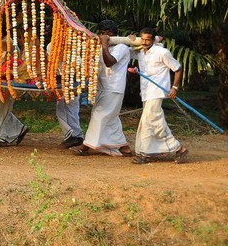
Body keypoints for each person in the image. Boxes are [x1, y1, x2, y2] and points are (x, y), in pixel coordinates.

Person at [71, 20, 133, 156]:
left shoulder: (121, 47)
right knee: (111, 118)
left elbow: (109, 62)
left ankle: (86, 145)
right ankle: (123, 146)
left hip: (114, 88)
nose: (104, 36)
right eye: (102, 33)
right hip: (101, 87)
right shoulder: (100, 47)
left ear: (114, 34)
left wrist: (104, 44)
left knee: (99, 115)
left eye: (108, 34)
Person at [128, 28, 188, 164]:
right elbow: (128, 53)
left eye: (147, 39)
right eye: (142, 39)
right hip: (146, 92)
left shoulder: (162, 52)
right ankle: (173, 149)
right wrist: (130, 40)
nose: (144, 42)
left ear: (153, 39)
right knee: (151, 121)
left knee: (151, 120)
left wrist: (174, 87)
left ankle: (150, 153)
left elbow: (177, 68)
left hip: (157, 91)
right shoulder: (140, 52)